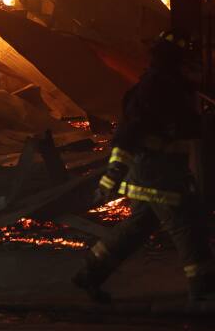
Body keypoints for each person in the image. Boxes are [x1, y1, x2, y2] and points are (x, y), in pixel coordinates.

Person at [73, 30, 215, 303]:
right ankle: (203, 288)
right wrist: (111, 176)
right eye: (189, 61)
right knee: (187, 226)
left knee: (137, 228)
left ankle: (90, 273)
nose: (194, 67)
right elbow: (129, 134)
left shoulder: (171, 86)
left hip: (159, 171)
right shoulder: (156, 88)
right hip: (158, 174)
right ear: (175, 60)